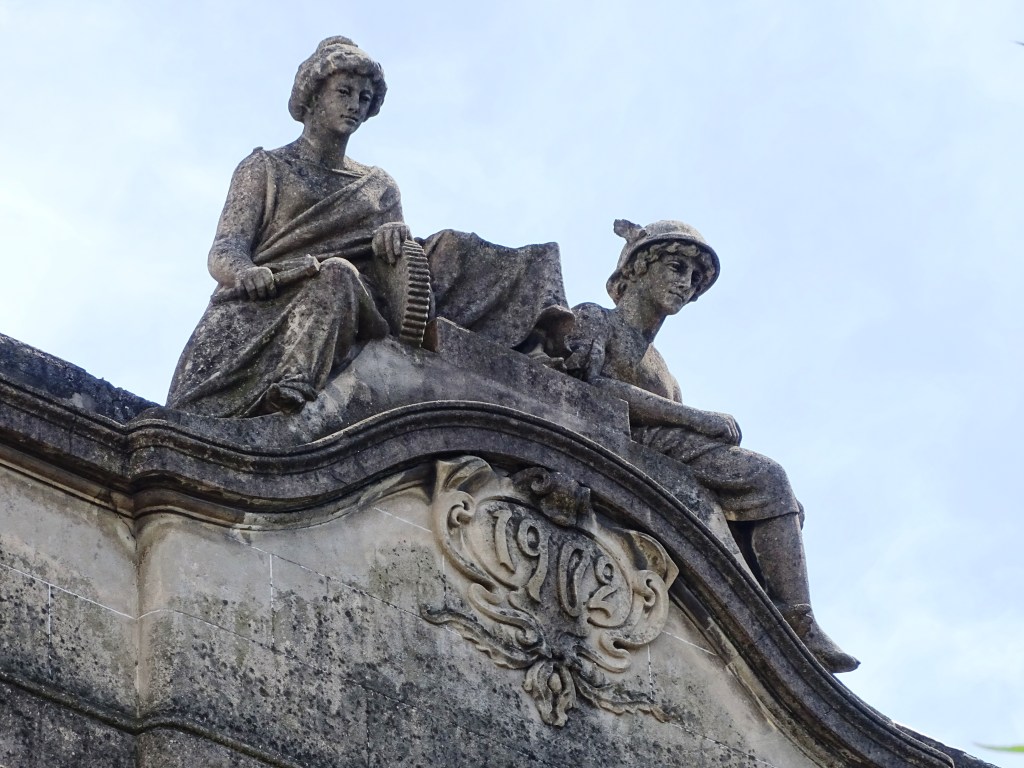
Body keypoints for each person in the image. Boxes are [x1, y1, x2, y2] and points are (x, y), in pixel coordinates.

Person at [565, 218, 859, 674]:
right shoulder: (594, 318)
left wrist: (691, 420)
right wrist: (694, 419)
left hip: (667, 450)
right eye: (676, 267)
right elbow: (587, 384)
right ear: (638, 269)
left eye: (695, 278)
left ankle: (772, 616)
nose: (686, 284)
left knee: (781, 501)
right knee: (768, 477)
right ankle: (796, 622)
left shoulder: (663, 371)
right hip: (628, 439)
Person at [167, 37, 413, 417]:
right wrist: (246, 272)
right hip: (260, 302)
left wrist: (394, 238)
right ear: (313, 96)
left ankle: (294, 384)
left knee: (338, 275)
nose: (354, 105)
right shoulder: (263, 168)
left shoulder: (378, 189)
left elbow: (396, 275)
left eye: (364, 98)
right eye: (344, 92)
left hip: (342, 302)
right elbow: (225, 249)